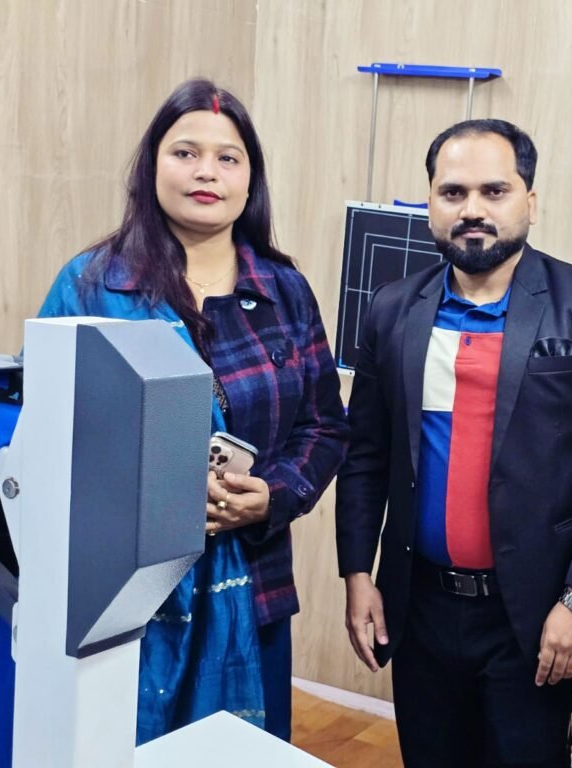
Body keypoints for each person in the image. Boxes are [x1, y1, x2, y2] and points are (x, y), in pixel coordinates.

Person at [335, 119, 572, 767]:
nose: (473, 210)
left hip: (535, 612)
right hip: (419, 605)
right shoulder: (393, 309)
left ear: (530, 202)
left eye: (495, 190)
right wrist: (357, 574)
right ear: (431, 202)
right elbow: (366, 453)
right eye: (453, 192)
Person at [36, 78, 348, 744]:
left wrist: (273, 495)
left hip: (254, 587)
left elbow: (325, 425)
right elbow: (43, 433)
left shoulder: (284, 290)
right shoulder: (91, 285)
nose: (207, 171)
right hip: (121, 597)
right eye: (185, 153)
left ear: (250, 179)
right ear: (152, 166)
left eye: (228, 158)